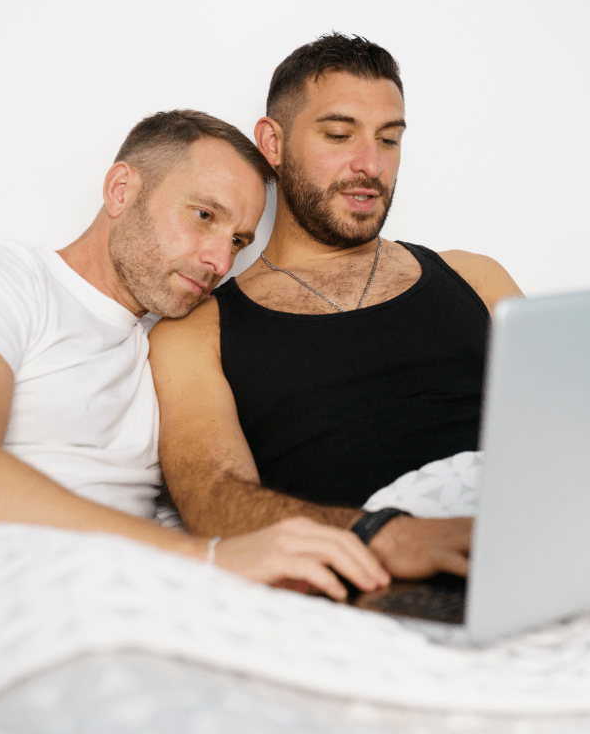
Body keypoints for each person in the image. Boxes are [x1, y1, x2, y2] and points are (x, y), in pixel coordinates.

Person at [0, 109, 390, 601]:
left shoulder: (168, 349)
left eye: (238, 241)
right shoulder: (4, 277)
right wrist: (203, 560)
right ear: (121, 190)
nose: (218, 259)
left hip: (112, 606)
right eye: (204, 215)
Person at [150, 35, 523, 581]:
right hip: (378, 576)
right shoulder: (199, 330)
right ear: (272, 143)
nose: (370, 165)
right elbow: (214, 500)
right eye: (339, 135)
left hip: (524, 545)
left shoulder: (476, 277)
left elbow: (571, 431)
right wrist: (381, 534)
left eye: (389, 140)